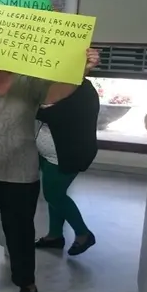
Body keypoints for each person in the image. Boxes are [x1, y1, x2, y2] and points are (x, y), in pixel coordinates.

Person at [0, 33, 99, 292]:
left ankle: (27, 284)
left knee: (20, 232)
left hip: (19, 174)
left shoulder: (28, 83)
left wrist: (81, 70)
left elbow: (60, 92)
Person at [34, 78, 99, 255]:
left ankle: (83, 233)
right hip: (50, 155)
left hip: (68, 155)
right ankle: (54, 236)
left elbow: (52, 114)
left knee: (54, 195)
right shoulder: (53, 84)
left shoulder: (83, 90)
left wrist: (29, 104)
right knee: (55, 194)